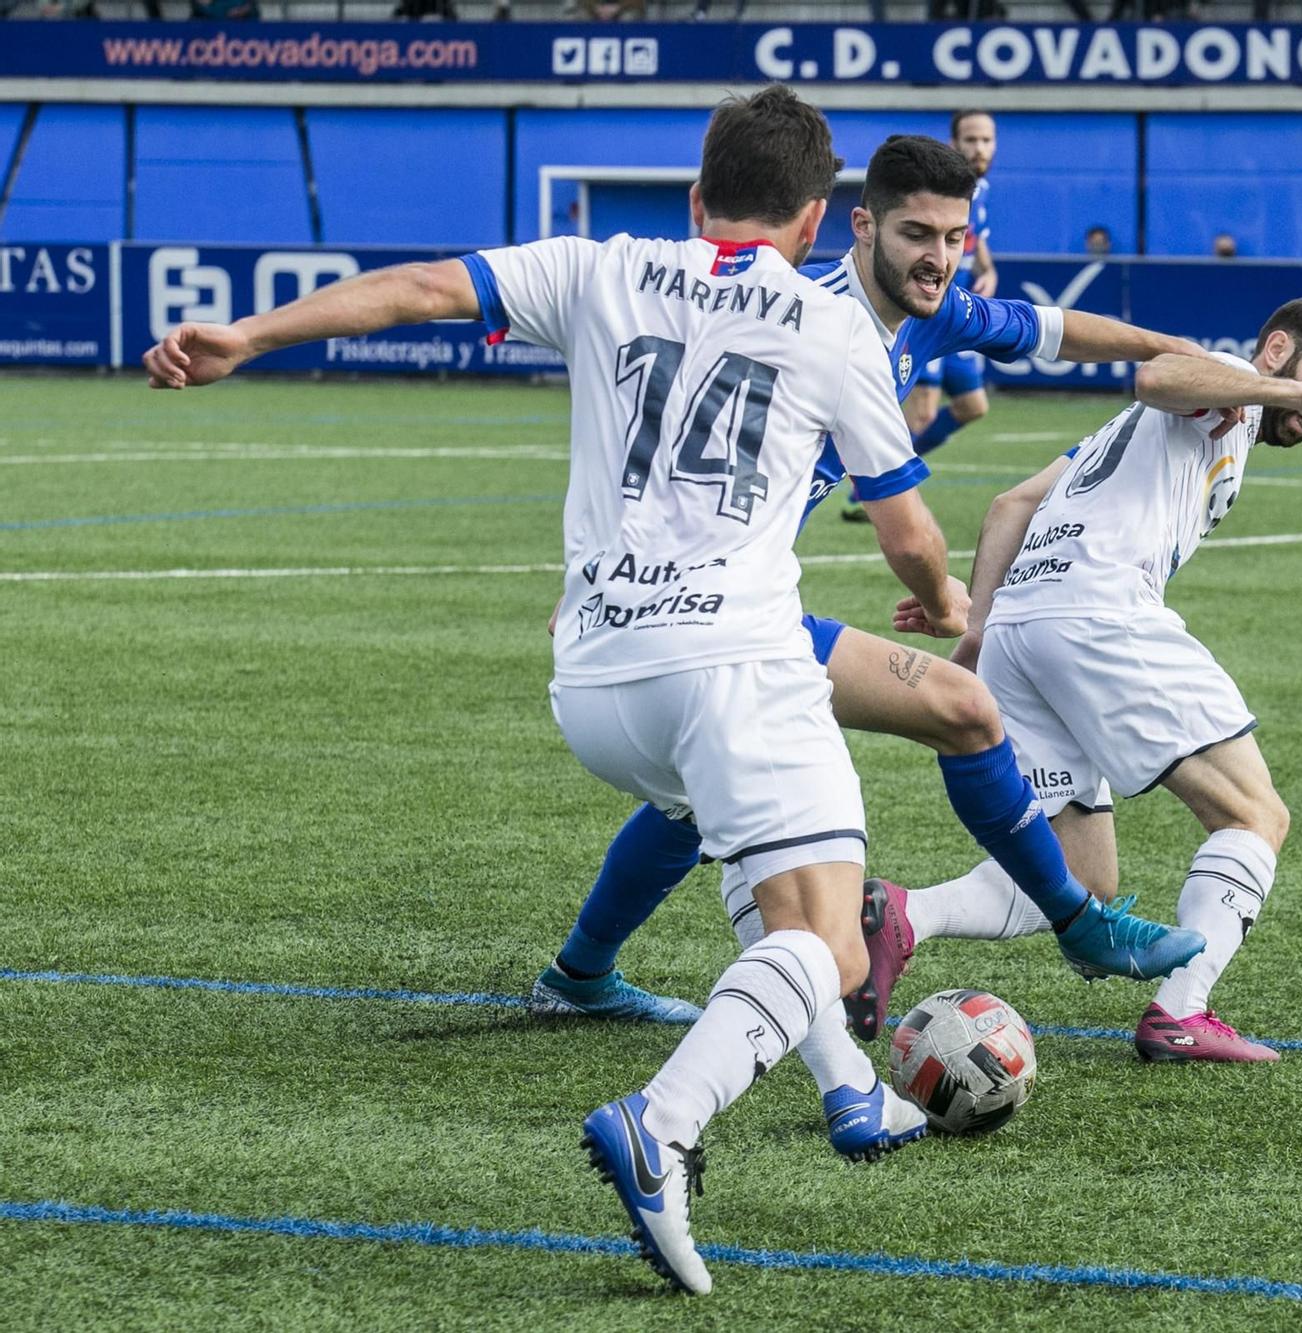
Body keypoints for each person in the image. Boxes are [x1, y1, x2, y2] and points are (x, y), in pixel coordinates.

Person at [137, 87, 966, 1297]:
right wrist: (942, 605)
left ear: (694, 200)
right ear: (811, 219)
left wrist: (247, 338)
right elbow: (903, 530)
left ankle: (849, 1088)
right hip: (729, 665)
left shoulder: (601, 265)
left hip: (593, 682)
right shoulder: (831, 327)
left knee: (755, 855)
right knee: (825, 936)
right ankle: (662, 1123)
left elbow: (421, 286)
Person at [529, 134, 1214, 1160]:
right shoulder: (809, 316)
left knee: (687, 801)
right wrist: (937, 591)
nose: (938, 256)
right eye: (915, 234)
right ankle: (1071, 924)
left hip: (717, 611)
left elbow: (1060, 330)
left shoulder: (932, 312)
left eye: (953, 236)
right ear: (856, 227)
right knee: (955, 711)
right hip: (709, 615)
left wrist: (1187, 357)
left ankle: (581, 975)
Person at [875, 298, 1302, 1064]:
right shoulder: (1236, 385)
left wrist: (979, 632)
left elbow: (1013, 503)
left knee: (1083, 880)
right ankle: (1183, 1011)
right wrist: (1284, 391)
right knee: (1255, 814)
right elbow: (1156, 373)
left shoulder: (1169, 425)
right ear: (1277, 349)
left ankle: (909, 914)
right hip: (1100, 611)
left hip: (1023, 627)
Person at [883, 109, 1002, 497]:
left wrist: (989, 270)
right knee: (923, 410)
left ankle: (878, 483)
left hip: (957, 314)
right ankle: (877, 492)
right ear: (954, 144)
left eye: (986, 140)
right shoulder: (936, 194)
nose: (980, 148)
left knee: (973, 405)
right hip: (929, 311)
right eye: (971, 140)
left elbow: (976, 241)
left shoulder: (980, 192)